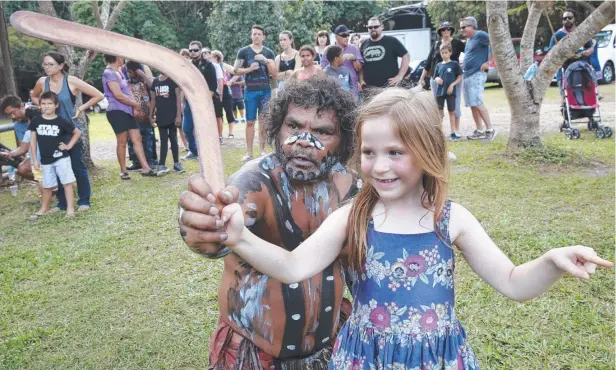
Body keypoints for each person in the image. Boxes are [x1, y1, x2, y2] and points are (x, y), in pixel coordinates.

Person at [217, 88, 614, 370]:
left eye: (395, 152)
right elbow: (292, 267)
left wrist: (551, 262)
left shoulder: (450, 219)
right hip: (363, 356)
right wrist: (240, 238)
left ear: (427, 153)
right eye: (369, 153)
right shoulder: (351, 216)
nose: (380, 166)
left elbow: (512, 282)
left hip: (436, 357)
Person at [177, 78, 359, 369]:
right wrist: (202, 227)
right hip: (255, 354)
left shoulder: (349, 185)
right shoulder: (255, 181)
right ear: (277, 127)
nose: (303, 141)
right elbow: (217, 230)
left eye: (322, 131)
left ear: (344, 140)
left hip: (329, 348)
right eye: (294, 126)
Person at [32, 52, 102, 212]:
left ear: (61, 66)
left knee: (77, 167)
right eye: (45, 64)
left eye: (50, 64)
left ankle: (84, 201)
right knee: (56, 167)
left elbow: (98, 95)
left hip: (70, 132)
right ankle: (62, 203)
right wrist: (43, 107)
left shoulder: (71, 81)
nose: (46, 67)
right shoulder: (43, 82)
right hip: (50, 132)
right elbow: (34, 96)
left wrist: (81, 108)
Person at [102, 54, 157, 179]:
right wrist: (135, 105)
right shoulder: (108, 73)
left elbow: (127, 92)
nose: (123, 59)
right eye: (121, 57)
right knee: (122, 142)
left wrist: (135, 107)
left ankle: (146, 168)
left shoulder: (120, 73)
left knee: (136, 139)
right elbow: (118, 95)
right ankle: (123, 170)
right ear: (117, 58)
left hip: (128, 111)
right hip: (117, 111)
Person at [29, 91, 81, 219]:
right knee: (47, 185)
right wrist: (35, 159)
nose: (46, 106)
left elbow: (77, 132)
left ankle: (70, 208)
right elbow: (33, 141)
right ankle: (44, 208)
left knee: (67, 183)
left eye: (50, 103)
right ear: (40, 105)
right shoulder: (36, 121)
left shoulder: (61, 121)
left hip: (61, 158)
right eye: (43, 103)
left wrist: (68, 146)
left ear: (56, 105)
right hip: (45, 160)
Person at [234, 24, 277, 162]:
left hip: (265, 90)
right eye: (254, 34)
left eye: (259, 34)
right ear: (251, 35)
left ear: (263, 36)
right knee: (250, 122)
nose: (256, 36)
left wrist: (265, 60)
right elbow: (236, 70)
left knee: (264, 121)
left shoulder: (269, 52)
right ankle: (249, 152)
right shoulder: (243, 51)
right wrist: (249, 69)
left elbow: (274, 73)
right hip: (250, 91)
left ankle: (262, 150)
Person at [421, 21, 466, 139]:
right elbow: (428, 62)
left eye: (448, 29)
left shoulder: (457, 43)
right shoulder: (436, 44)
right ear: (440, 32)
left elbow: (470, 52)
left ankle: (455, 131)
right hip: (436, 79)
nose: (446, 31)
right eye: (443, 30)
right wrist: (422, 78)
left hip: (453, 78)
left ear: (451, 31)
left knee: (454, 104)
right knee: (438, 106)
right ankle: (438, 132)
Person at [460, 16, 495, 141]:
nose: (462, 30)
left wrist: (488, 62)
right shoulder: (469, 40)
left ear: (472, 26)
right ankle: (479, 130)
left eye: (464, 27)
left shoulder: (480, 35)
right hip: (468, 74)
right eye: (461, 28)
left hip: (477, 74)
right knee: (472, 104)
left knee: (478, 101)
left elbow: (496, 44)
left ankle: (490, 129)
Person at [182, 40, 218, 160]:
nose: (192, 52)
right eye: (191, 50)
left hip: (204, 102)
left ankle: (206, 152)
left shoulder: (208, 65)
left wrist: (204, 102)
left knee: (203, 129)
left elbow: (213, 86)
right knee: (186, 128)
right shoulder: (187, 66)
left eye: (195, 50)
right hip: (189, 102)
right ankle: (194, 150)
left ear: (200, 50)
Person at [549, 10, 596, 97]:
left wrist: (588, 51)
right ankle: (564, 106)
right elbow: (550, 52)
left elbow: (590, 47)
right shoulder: (557, 35)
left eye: (570, 18)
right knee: (566, 98)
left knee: (587, 96)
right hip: (564, 70)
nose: (567, 20)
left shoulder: (581, 33)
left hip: (583, 70)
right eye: (564, 18)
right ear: (562, 21)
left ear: (575, 19)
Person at [359, 17, 410, 90]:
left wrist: (400, 76)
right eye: (370, 27)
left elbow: (406, 56)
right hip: (369, 89)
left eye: (376, 26)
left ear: (382, 27)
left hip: (388, 88)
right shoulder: (364, 44)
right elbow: (361, 64)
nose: (373, 29)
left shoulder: (392, 41)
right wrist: (361, 80)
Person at [125, 61, 158, 171]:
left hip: (146, 116)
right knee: (133, 139)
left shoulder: (145, 82)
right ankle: (136, 161)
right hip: (133, 116)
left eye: (130, 72)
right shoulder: (127, 83)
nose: (128, 74)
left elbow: (153, 87)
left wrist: (142, 74)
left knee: (148, 138)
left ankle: (151, 160)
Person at [150, 71, 184, 175]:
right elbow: (153, 99)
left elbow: (178, 98)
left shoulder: (172, 80)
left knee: (173, 138)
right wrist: (150, 115)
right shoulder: (155, 82)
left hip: (172, 115)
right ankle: (162, 164)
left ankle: (177, 163)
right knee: (163, 139)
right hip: (161, 116)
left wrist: (178, 115)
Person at [0, 96, 42, 180]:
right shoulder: (18, 125)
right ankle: (46, 184)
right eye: (8, 115)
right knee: (22, 169)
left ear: (22, 106)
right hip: (36, 154)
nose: (12, 117)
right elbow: (23, 148)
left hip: (50, 150)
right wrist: (10, 153)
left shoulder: (37, 112)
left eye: (13, 112)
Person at [321, 25, 363, 98]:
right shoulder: (328, 50)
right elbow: (323, 70)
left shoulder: (354, 48)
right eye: (344, 35)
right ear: (336, 37)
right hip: (334, 94)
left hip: (352, 91)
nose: (347, 37)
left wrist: (354, 59)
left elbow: (359, 69)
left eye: (348, 35)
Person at [434, 43, 463, 138]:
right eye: (442, 53)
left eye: (446, 52)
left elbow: (460, 77)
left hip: (451, 92)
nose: (444, 55)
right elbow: (435, 77)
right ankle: (439, 133)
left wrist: (452, 85)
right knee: (439, 113)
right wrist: (437, 79)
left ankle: (453, 132)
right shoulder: (438, 65)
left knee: (452, 112)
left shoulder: (454, 64)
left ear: (450, 52)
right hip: (440, 93)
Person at [212, 50, 237, 142]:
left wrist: (231, 81)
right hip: (215, 90)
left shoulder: (223, 65)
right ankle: (220, 134)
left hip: (225, 90)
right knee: (218, 114)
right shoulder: (210, 66)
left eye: (212, 56)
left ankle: (231, 133)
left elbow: (236, 72)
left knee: (229, 112)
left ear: (216, 57)